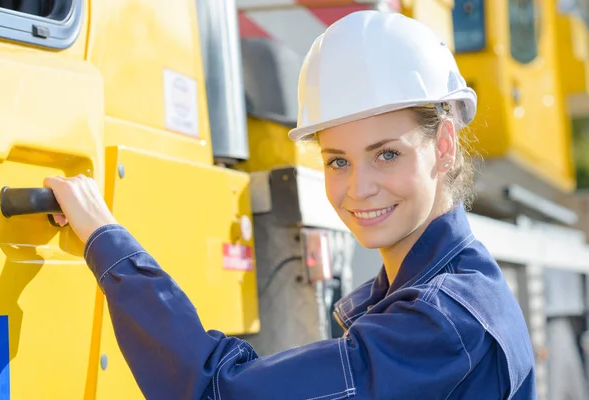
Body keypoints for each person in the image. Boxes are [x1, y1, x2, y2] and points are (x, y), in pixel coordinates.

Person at [44, 11, 536, 400]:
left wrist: (108, 244)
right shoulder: (452, 293)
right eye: (337, 161)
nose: (358, 188)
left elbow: (216, 393)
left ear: (445, 145)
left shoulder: (441, 324)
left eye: (387, 154)